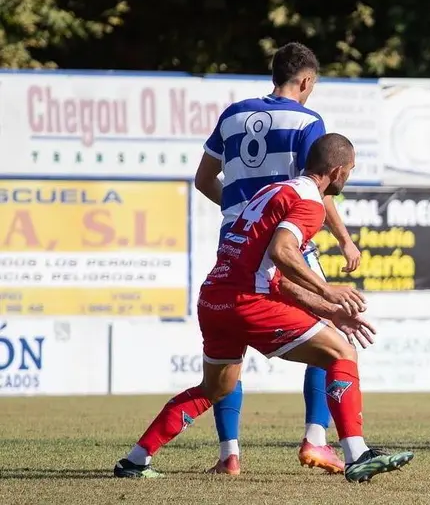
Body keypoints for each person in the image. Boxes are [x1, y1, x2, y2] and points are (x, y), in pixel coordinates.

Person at [113, 133, 414, 483]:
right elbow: (283, 254)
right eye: (350, 170)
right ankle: (357, 453)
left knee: (215, 388)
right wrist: (328, 291)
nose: (349, 176)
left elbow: (274, 277)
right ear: (336, 171)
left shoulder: (273, 191)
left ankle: (135, 460)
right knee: (341, 353)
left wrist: (328, 310)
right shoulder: (311, 203)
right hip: (247, 302)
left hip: (214, 298)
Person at [192, 42, 364, 475]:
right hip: (287, 242)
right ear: (306, 81)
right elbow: (316, 186)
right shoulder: (307, 120)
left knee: (229, 347)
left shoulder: (233, 114)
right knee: (332, 339)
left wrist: (241, 216)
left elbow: (203, 178)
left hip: (233, 241)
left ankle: (229, 452)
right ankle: (316, 439)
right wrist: (344, 239)